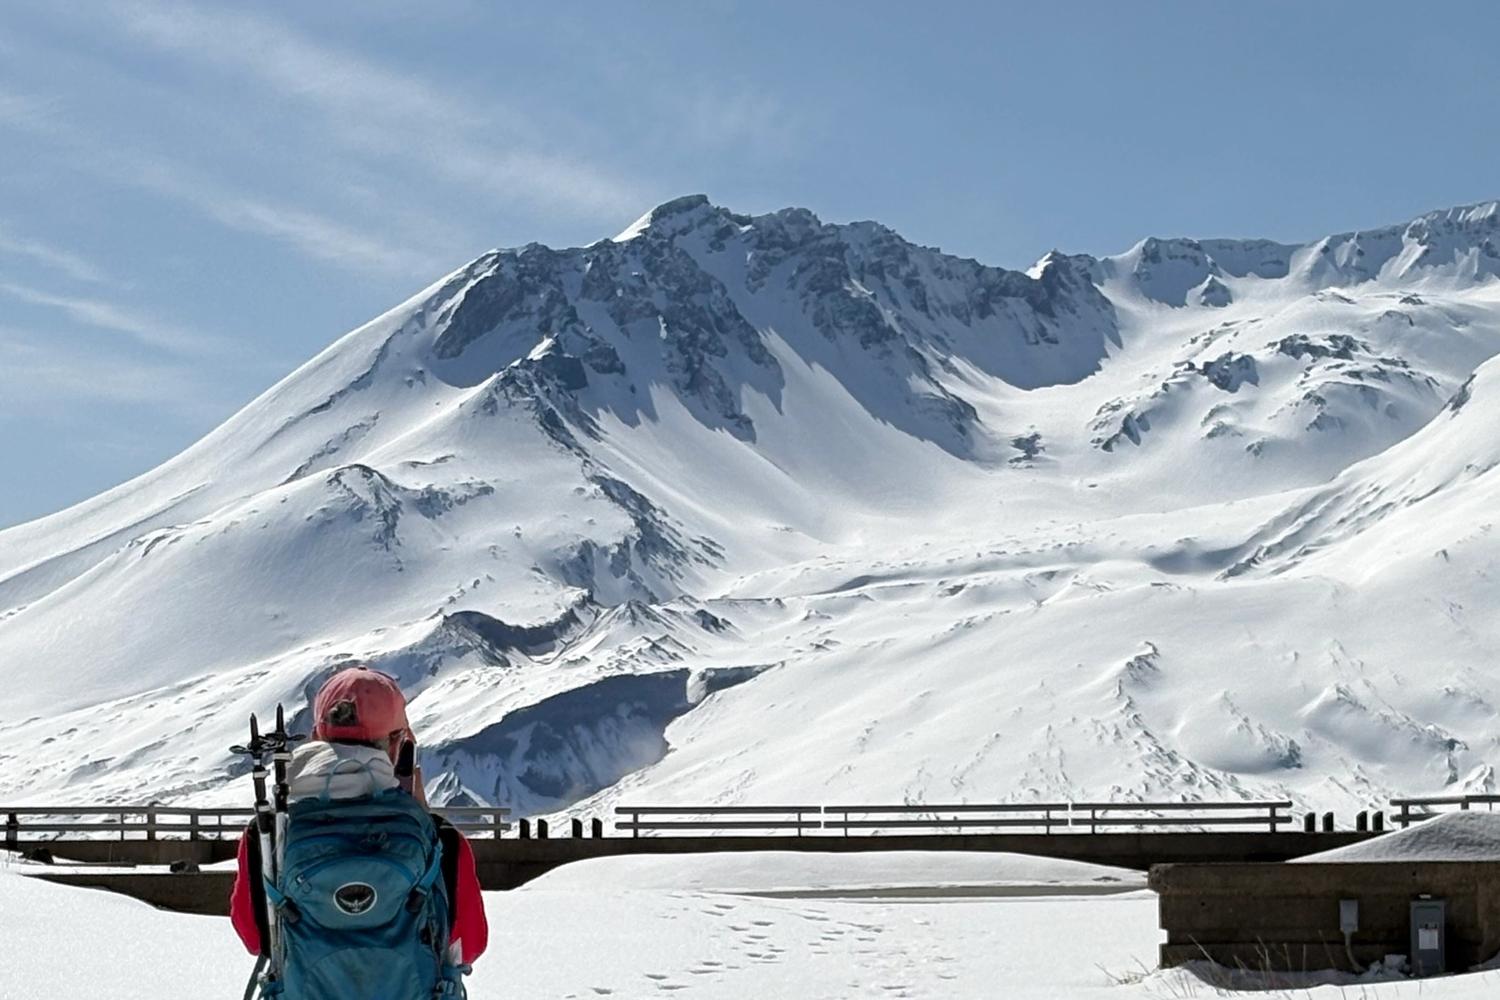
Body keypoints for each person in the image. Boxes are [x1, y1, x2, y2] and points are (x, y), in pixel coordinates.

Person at [230, 666, 488, 995]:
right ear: (398, 745)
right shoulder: (441, 839)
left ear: (316, 738)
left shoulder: (270, 833)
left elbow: (255, 938)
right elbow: (470, 943)